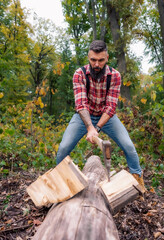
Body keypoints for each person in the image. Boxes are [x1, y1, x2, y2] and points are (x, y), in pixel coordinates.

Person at [56, 40, 146, 192]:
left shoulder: (115, 75)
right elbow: (81, 105)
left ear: (107, 58)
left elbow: (111, 107)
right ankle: (60, 184)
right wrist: (90, 127)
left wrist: (96, 128)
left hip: (107, 118)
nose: (97, 64)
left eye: (101, 60)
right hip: (83, 117)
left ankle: (138, 183)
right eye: (93, 60)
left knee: (129, 147)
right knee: (63, 148)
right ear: (88, 57)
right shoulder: (80, 74)